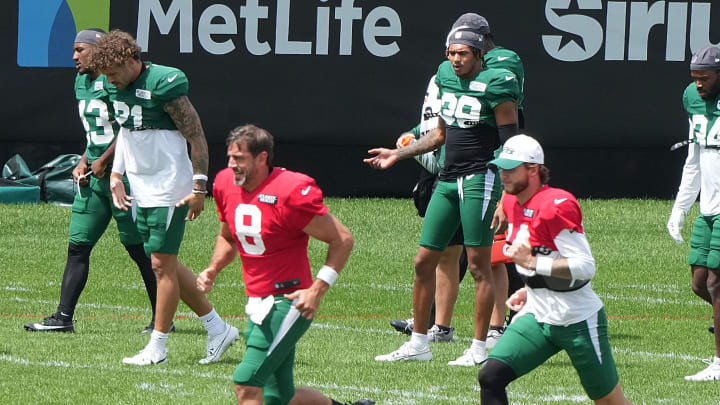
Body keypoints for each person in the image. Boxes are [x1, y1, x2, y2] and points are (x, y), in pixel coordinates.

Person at [366, 12, 520, 366]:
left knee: (480, 264)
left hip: (480, 178)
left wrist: (507, 195)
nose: (455, 59)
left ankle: (479, 347)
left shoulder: (498, 83)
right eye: (451, 52)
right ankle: (419, 342)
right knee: (424, 259)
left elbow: (510, 143)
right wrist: (399, 153)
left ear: (480, 53)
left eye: (462, 53)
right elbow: (439, 135)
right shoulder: (447, 77)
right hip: (449, 177)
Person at [89, 30, 237, 366]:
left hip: (170, 184)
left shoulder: (164, 83)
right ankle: (218, 328)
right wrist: (116, 173)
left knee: (160, 264)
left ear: (131, 61)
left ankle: (158, 346)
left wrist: (200, 188)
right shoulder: (116, 87)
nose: (110, 81)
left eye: (113, 73)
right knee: (164, 261)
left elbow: (196, 135)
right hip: (140, 184)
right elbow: (127, 131)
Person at [196, 125, 373, 405]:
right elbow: (228, 237)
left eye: (240, 159)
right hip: (257, 299)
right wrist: (213, 269)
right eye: (230, 158)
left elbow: (342, 239)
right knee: (278, 396)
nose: (232, 165)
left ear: (262, 158)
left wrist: (317, 289)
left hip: (289, 300)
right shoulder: (224, 184)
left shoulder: (289, 191)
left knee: (246, 381)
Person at [478, 134, 632, 405]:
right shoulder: (512, 201)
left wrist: (533, 265)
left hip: (577, 319)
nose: (504, 175)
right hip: (537, 313)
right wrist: (529, 286)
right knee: (491, 375)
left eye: (511, 169)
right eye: (502, 168)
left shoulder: (555, 205)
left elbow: (585, 267)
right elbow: (539, 250)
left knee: (611, 402)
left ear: (533, 169)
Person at [24, 29, 159, 334]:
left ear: (100, 52)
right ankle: (63, 317)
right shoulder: (81, 81)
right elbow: (96, 132)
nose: (74, 57)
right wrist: (85, 159)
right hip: (93, 178)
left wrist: (105, 160)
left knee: (141, 251)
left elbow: (127, 127)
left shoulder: (116, 81)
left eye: (81, 50)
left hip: (123, 177)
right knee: (78, 246)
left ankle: (162, 320)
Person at [666, 45, 720, 381]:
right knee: (700, 282)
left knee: (717, 283)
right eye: (694, 78)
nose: (698, 84)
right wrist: (681, 208)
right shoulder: (693, 98)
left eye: (705, 78)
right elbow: (695, 157)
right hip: (709, 206)